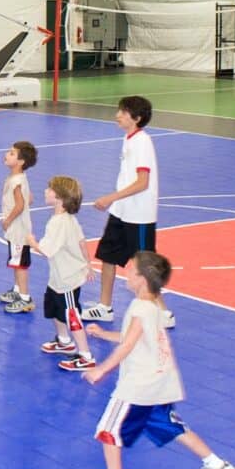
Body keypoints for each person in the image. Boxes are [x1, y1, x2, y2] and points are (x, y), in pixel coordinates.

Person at [81, 251, 235, 469]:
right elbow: (135, 338)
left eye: (130, 270)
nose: (126, 273)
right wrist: (103, 334)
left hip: (139, 386)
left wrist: (102, 369)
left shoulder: (140, 307)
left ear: (141, 279)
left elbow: (128, 345)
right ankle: (216, 465)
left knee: (108, 430)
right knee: (171, 426)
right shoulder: (154, 306)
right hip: (160, 382)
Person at [83, 96, 169, 326]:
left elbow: (143, 182)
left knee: (146, 264)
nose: (117, 115)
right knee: (107, 255)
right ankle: (104, 307)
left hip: (139, 214)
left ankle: (161, 312)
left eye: (123, 112)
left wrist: (111, 197)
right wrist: (116, 203)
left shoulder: (142, 142)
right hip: (122, 212)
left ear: (137, 118)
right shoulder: (128, 139)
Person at [31, 175, 96, 371]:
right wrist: (88, 264)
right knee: (54, 308)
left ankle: (85, 355)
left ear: (59, 197)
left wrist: (31, 241)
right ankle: (64, 340)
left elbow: (46, 249)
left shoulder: (58, 223)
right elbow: (81, 242)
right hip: (58, 277)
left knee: (71, 314)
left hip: (67, 278)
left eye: (49, 189)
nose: (45, 191)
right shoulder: (67, 219)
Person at [0, 141, 38, 314]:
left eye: (12, 153)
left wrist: (8, 219)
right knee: (16, 262)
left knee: (20, 264)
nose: (7, 154)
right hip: (16, 230)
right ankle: (17, 290)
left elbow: (21, 204)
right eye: (9, 151)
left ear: (21, 162)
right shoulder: (18, 178)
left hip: (18, 230)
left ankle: (25, 298)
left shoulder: (17, 181)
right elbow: (29, 199)